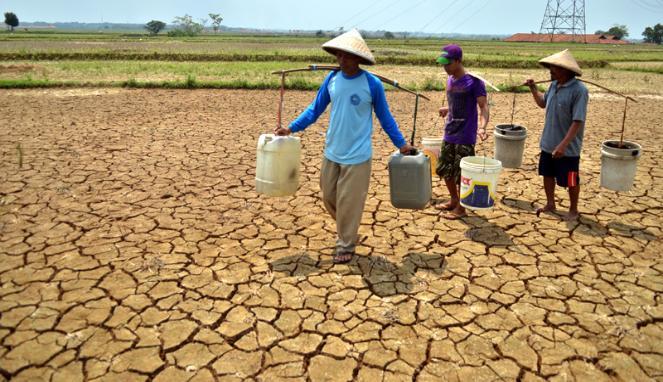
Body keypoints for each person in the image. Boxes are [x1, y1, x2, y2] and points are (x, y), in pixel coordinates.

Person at [274, 29, 414, 264]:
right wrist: (291, 128)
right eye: (338, 55)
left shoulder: (372, 84)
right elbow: (314, 109)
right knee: (329, 197)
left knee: (349, 202)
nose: (341, 59)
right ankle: (348, 227)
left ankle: (345, 243)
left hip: (358, 156)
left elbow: (385, 117)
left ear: (358, 58)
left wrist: (401, 144)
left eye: (346, 55)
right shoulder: (332, 80)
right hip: (332, 152)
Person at [525, 49, 589, 221]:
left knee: (571, 179)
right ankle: (550, 203)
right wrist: (533, 89)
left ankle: (573, 209)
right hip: (548, 142)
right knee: (547, 174)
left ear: (566, 70)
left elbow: (577, 121)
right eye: (551, 68)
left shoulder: (579, 90)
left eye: (555, 68)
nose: (550, 71)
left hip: (568, 149)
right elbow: (542, 103)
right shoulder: (553, 85)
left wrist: (563, 144)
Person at [433, 44, 490, 219]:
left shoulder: (474, 82)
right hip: (449, 132)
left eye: (447, 63)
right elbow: (455, 105)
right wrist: (447, 109)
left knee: (462, 175)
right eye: (442, 63)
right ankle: (453, 200)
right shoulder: (450, 80)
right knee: (445, 169)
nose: (445, 67)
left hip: (465, 135)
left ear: (458, 61)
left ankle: (462, 209)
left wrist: (482, 127)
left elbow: (483, 106)